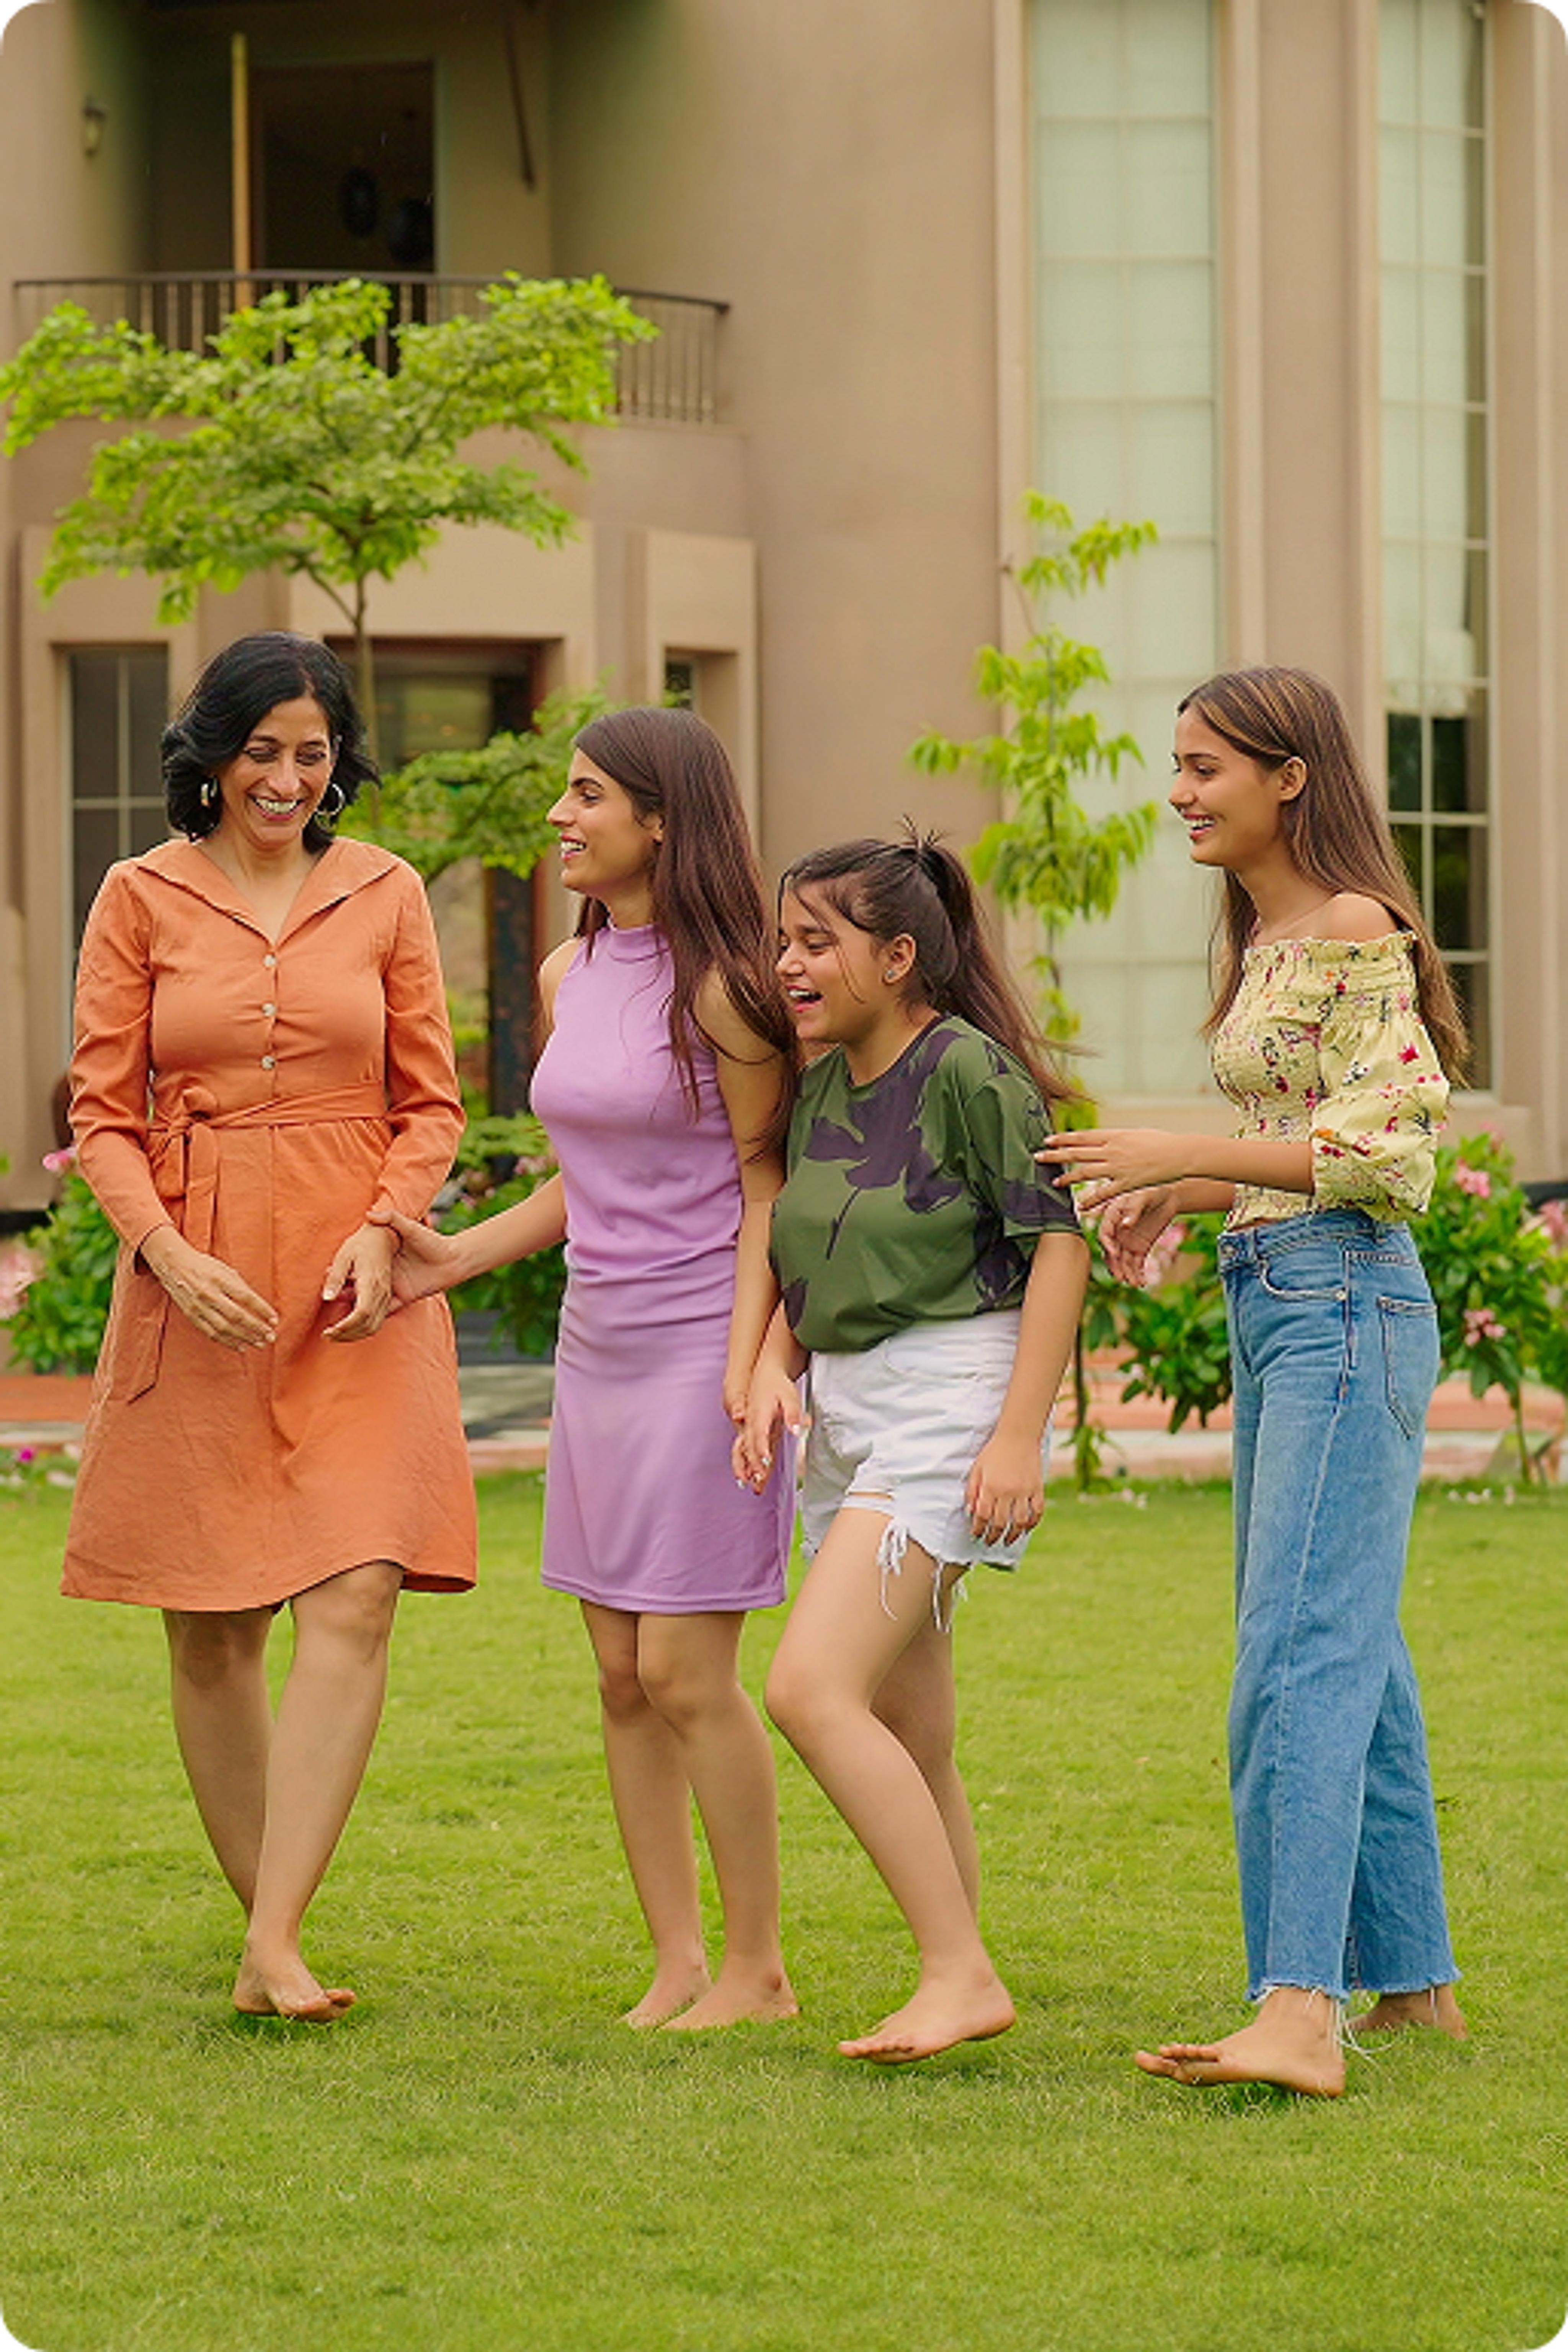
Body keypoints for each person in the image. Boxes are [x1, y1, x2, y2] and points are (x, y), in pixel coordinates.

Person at [1038, 665, 1467, 2097]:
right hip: (1287, 1297)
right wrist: (1192, 1190)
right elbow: (1301, 1146)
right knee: (1353, 1649)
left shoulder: (1353, 927)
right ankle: (1414, 1990)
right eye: (1177, 766)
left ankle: (1297, 2009)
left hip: (1344, 1302)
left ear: (1291, 777)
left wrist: (1179, 1148)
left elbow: (1391, 1155)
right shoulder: (1270, 933)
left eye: (1204, 767)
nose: (1179, 793)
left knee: (1297, 1655)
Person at [64, 632, 474, 2023]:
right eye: (262, 752)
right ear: (213, 757)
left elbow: (431, 1103)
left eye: (313, 754)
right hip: (202, 1281)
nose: (288, 779)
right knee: (213, 1622)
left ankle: (276, 1940)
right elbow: (102, 1116)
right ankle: (270, 1939)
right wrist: (168, 1257)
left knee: (358, 1587)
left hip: (357, 1291)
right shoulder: (138, 897)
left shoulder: (388, 891)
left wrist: (388, 1224)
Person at [378, 707, 799, 2030]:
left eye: (587, 794)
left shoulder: (730, 987)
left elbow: (767, 1183)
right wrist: (451, 1258)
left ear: (661, 821)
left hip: (702, 1349)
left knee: (685, 1674)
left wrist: (751, 1362)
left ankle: (759, 1970)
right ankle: (678, 1962)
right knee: (619, 1676)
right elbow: (588, 1179)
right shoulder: (573, 972)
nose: (560, 816)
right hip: (597, 1351)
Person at [736, 835, 1088, 2063]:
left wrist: (1018, 1435)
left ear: (898, 957)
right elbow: (812, 1248)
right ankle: (958, 1972)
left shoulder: (967, 1070)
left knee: (808, 1689)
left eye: (815, 942)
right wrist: (774, 1369)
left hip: (952, 1395)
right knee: (909, 1725)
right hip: (848, 1402)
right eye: (785, 941)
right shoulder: (824, 1081)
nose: (789, 965)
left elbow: (1059, 1244)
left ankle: (959, 1974)